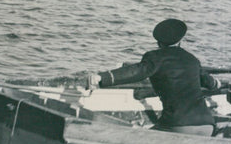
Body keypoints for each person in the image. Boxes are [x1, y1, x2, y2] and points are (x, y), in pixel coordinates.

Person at [87, 19, 219, 136]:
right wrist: (217, 84)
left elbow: (136, 71)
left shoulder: (155, 57)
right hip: (207, 125)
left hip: (177, 126)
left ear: (158, 42)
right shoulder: (192, 60)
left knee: (135, 139)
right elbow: (209, 82)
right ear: (180, 41)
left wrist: (102, 77)